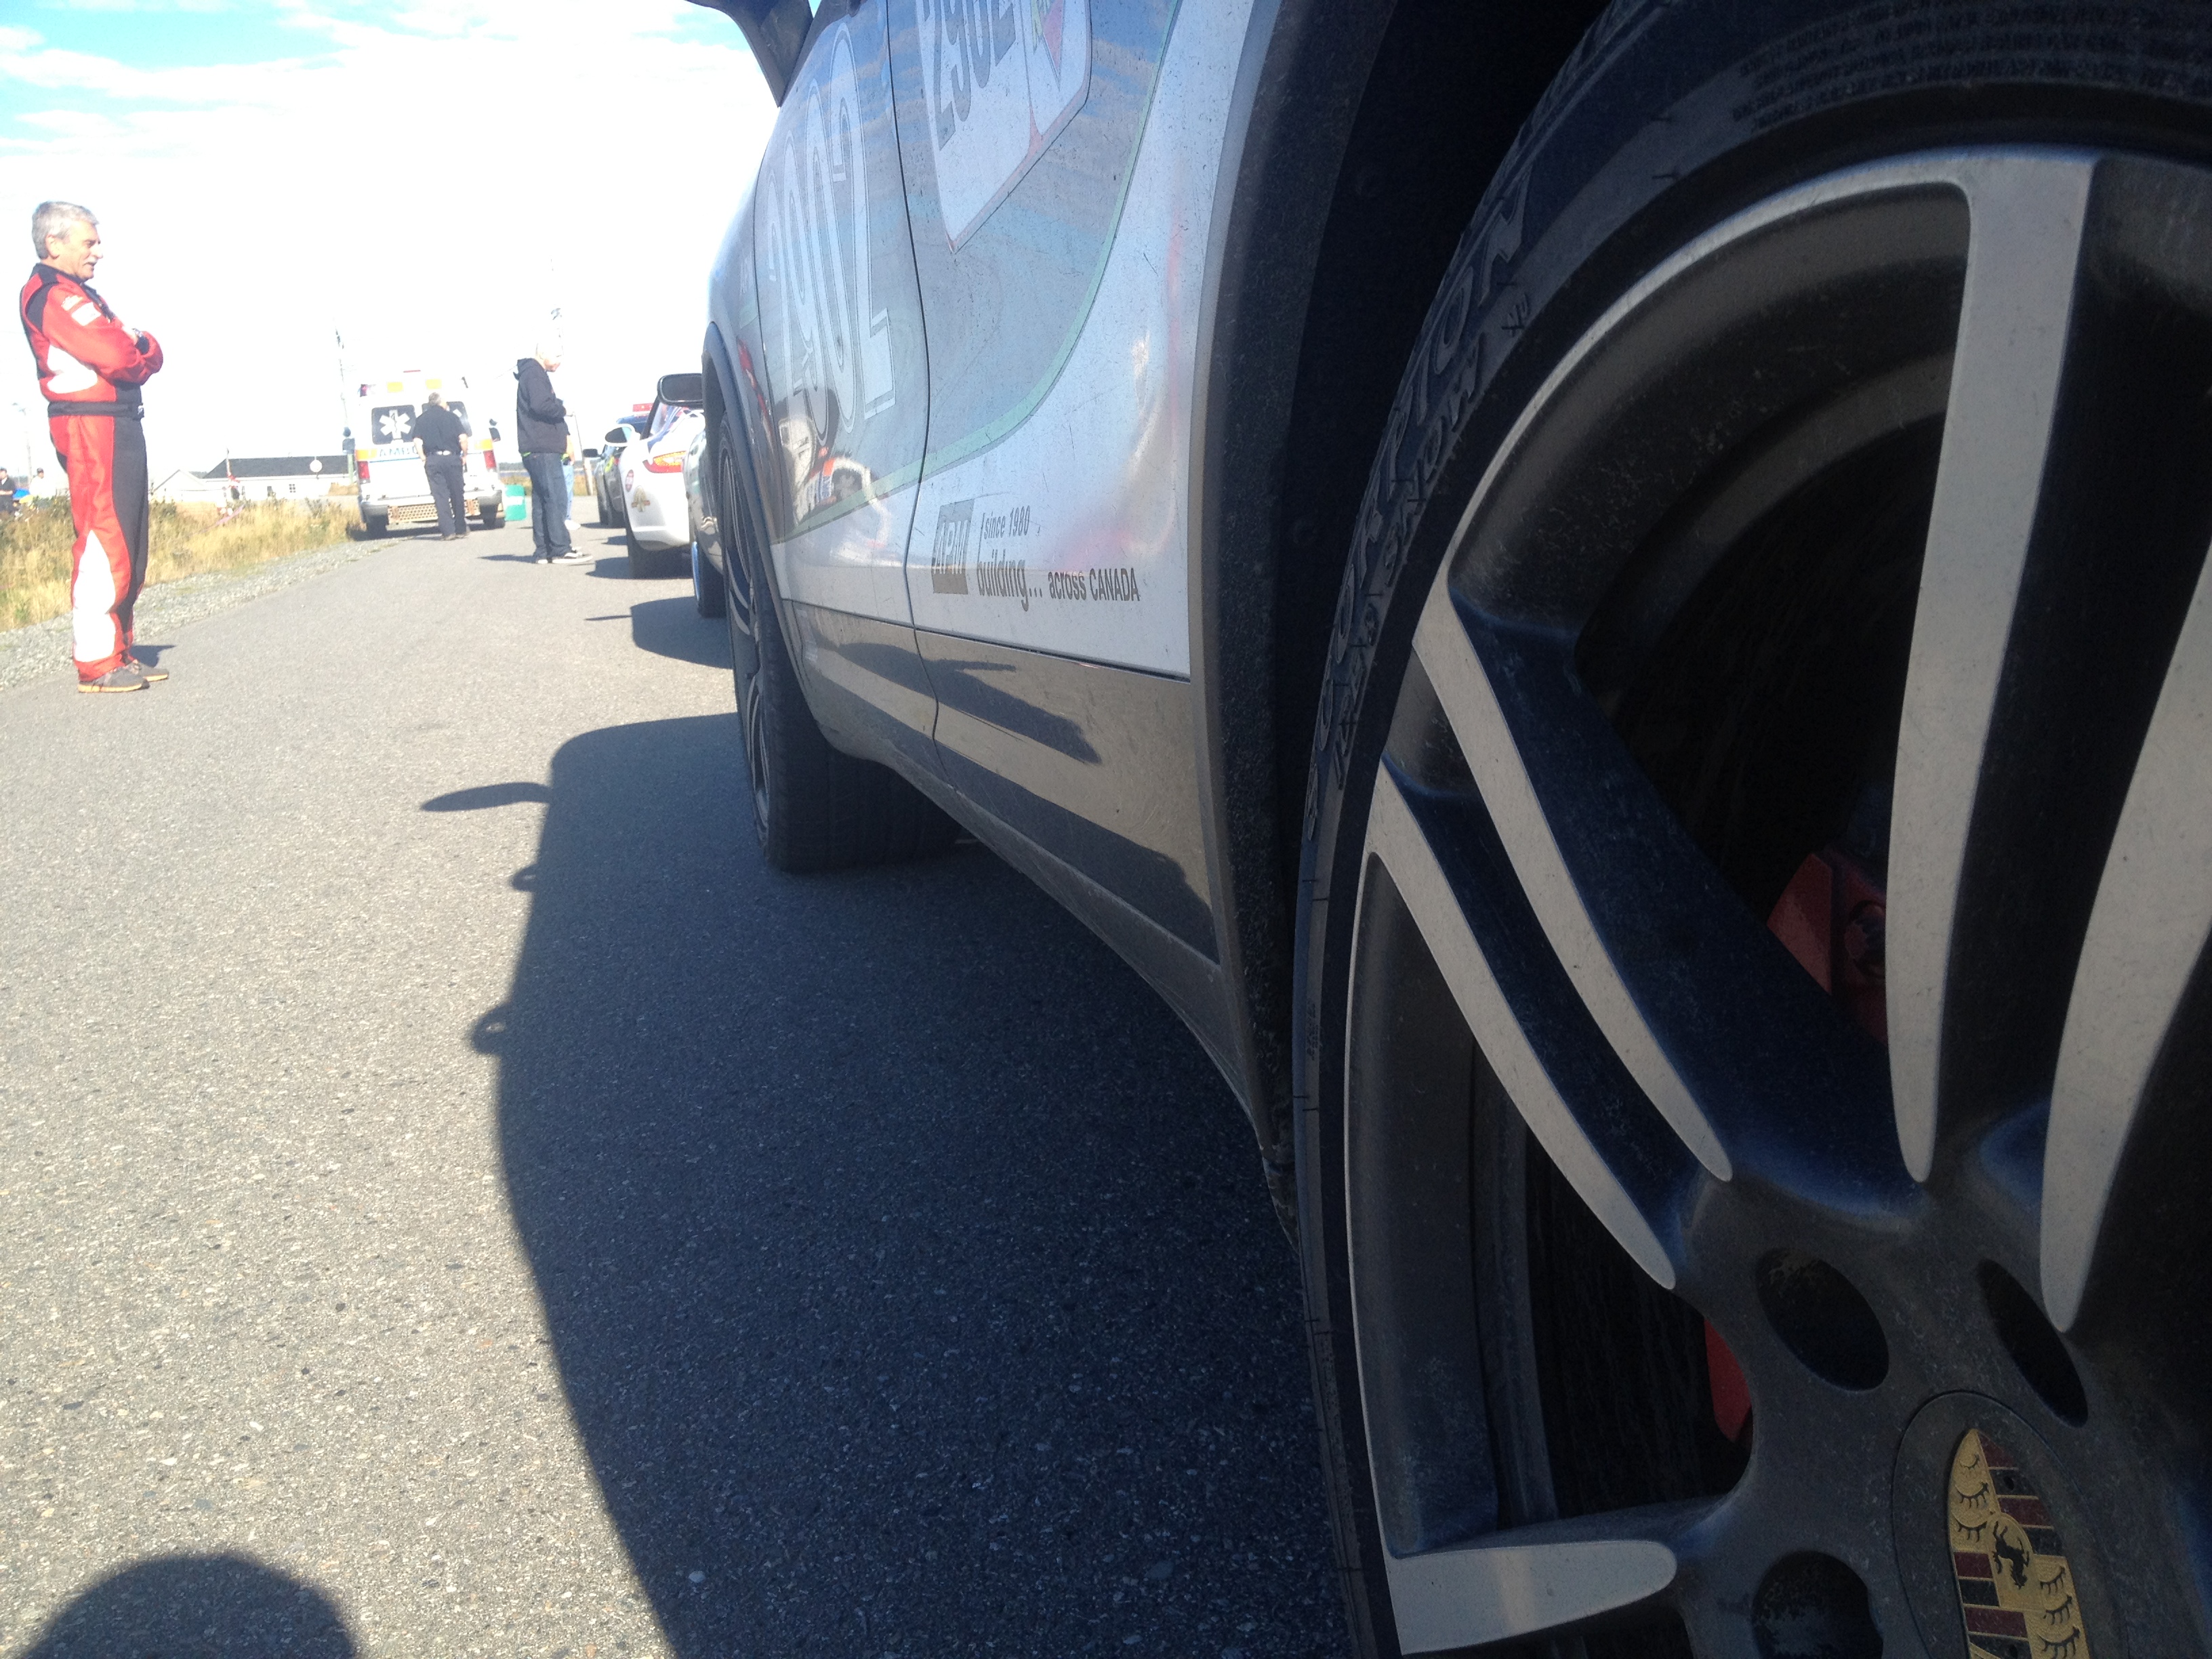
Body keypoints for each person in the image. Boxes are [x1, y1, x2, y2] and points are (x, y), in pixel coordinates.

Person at [17, 201, 167, 693]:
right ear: (54, 243)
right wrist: (136, 346)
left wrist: (138, 346)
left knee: (131, 542)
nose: (98, 252)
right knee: (106, 538)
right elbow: (117, 353)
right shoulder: (51, 295)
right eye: (89, 242)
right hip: (90, 425)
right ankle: (97, 662)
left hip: (119, 421)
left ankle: (119, 650)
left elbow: (146, 350)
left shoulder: (82, 294)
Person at [515, 345, 583, 564]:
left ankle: (543, 551)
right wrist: (563, 410)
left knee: (542, 501)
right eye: (557, 356)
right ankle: (560, 549)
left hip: (536, 448)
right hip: (542, 448)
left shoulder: (532, 373)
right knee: (555, 498)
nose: (560, 361)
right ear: (543, 353)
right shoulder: (534, 374)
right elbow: (541, 405)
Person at [415, 388, 469, 539]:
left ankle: (448, 532)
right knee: (457, 493)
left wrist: (424, 458)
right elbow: (463, 438)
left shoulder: (421, 419)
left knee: (440, 496)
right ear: (441, 403)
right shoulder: (452, 417)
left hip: (433, 459)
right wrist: (465, 455)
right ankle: (460, 529)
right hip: (452, 459)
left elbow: (417, 441)